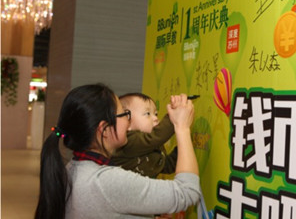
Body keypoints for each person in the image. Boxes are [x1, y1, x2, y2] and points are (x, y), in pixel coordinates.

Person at [35, 84, 201, 219]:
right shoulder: (106, 181)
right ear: (104, 130)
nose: (128, 121)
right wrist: (182, 127)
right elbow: (187, 192)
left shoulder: (73, 169)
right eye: (124, 114)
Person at [111, 92, 178, 177]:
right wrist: (173, 116)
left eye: (156, 114)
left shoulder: (152, 143)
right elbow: (156, 136)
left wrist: (182, 148)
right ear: (126, 121)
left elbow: (165, 165)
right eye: (147, 114)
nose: (155, 118)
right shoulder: (128, 140)